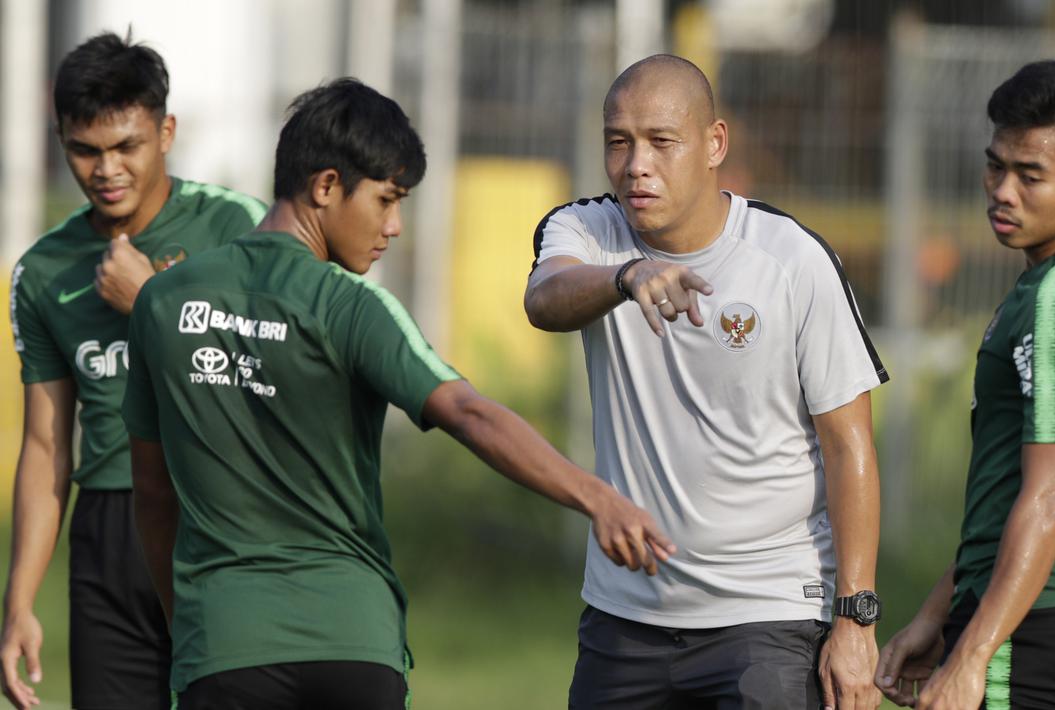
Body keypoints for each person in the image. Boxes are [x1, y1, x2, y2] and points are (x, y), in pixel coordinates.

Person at [119, 77, 672, 710]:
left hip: (224, 641)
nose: (395, 226)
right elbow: (468, 411)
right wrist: (597, 497)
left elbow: (153, 493)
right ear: (326, 187)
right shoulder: (351, 305)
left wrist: (189, 626)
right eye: (386, 200)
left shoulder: (162, 302)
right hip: (352, 644)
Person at [524, 54, 888, 710]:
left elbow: (848, 444)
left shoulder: (792, 259)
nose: (636, 164)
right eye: (618, 142)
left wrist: (855, 618)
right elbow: (544, 300)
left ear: (714, 143)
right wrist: (627, 276)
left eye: (661, 141)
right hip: (624, 617)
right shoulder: (585, 230)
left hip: (768, 616)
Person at [875, 60, 1055, 710]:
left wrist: (974, 652)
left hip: (1038, 624)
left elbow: (1051, 497)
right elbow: (1012, 490)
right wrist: (940, 612)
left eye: (1030, 176)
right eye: (995, 166)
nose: (1002, 191)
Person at [2, 31, 265, 710]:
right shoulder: (44, 271)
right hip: (107, 534)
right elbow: (45, 446)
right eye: (85, 150)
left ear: (165, 132)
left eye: (126, 146)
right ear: (60, 141)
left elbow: (272, 376)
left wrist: (152, 301)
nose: (106, 169)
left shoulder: (238, 230)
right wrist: (19, 601)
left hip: (220, 515)